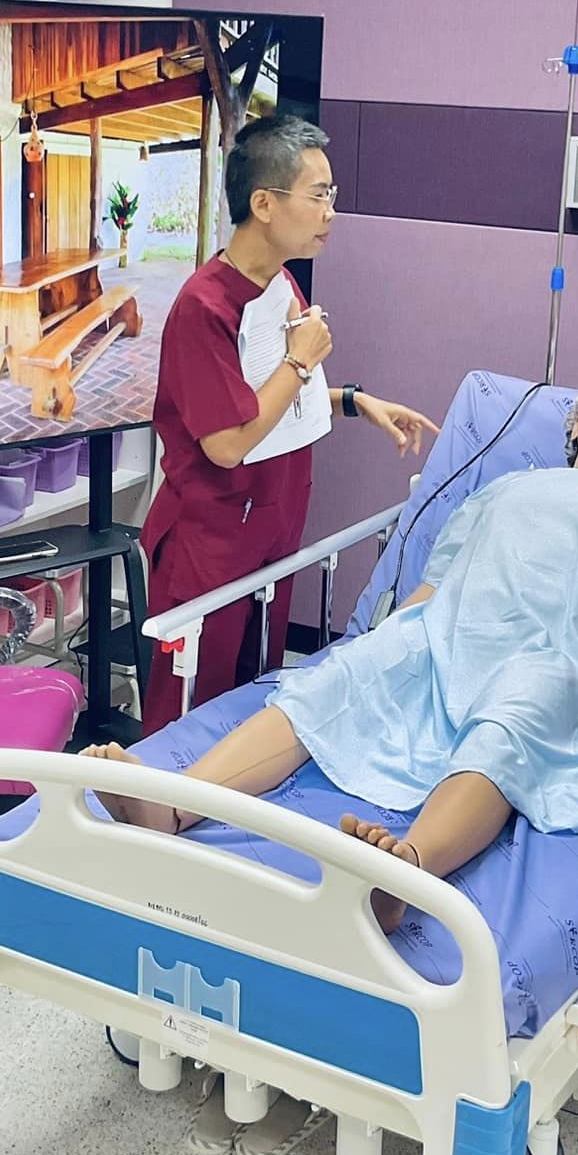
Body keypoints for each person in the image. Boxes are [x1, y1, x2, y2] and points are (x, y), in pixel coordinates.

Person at [89, 361, 578, 930]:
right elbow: (434, 586)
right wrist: (381, 645)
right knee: (339, 677)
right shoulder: (505, 489)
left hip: (552, 660)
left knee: (515, 721)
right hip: (448, 632)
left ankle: (403, 872)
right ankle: (175, 805)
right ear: (573, 423)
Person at [140, 113, 437, 735]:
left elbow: (267, 401)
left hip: (271, 524)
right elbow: (227, 441)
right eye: (318, 195)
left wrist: (352, 401)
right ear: (264, 204)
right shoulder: (204, 307)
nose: (331, 212)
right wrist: (301, 361)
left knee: (252, 697)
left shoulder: (279, 284)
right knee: (191, 714)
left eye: (333, 195)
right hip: (214, 537)